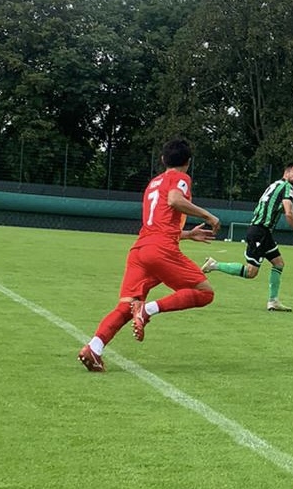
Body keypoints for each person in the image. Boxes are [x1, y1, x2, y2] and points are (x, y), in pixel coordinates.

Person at [78, 139, 221, 372]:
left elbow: (158, 223)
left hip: (140, 249)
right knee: (205, 293)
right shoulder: (181, 177)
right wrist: (209, 216)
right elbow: (175, 200)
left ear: (163, 159)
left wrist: (187, 234)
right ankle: (147, 309)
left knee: (126, 307)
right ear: (188, 162)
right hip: (161, 250)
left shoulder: (153, 183)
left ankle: (94, 348)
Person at [203, 163, 293, 312]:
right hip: (260, 231)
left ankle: (273, 301)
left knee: (278, 263)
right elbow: (289, 213)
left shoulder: (274, 185)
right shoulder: (287, 187)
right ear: (286, 173)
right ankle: (214, 265)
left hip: (262, 232)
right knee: (251, 272)